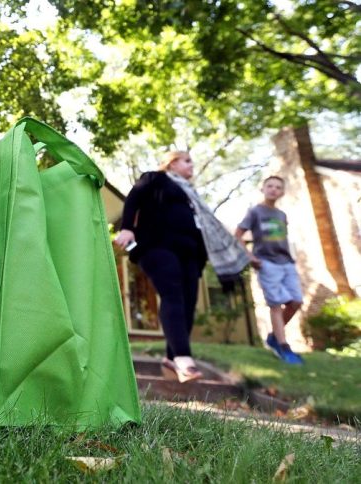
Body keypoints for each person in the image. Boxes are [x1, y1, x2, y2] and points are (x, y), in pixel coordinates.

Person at [114, 151, 249, 382]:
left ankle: (170, 358)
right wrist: (127, 227)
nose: (191, 166)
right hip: (157, 245)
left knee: (188, 304)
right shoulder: (155, 178)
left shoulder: (190, 193)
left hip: (190, 254)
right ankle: (183, 357)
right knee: (173, 294)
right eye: (187, 161)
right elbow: (134, 198)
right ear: (172, 162)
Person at [235, 176, 304, 364]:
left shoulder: (282, 215)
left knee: (296, 301)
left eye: (278, 187)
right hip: (266, 263)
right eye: (270, 186)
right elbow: (238, 235)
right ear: (263, 189)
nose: (273, 189)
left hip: (286, 262)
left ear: (282, 192)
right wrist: (250, 257)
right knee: (276, 304)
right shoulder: (255, 212)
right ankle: (283, 347)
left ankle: (274, 337)